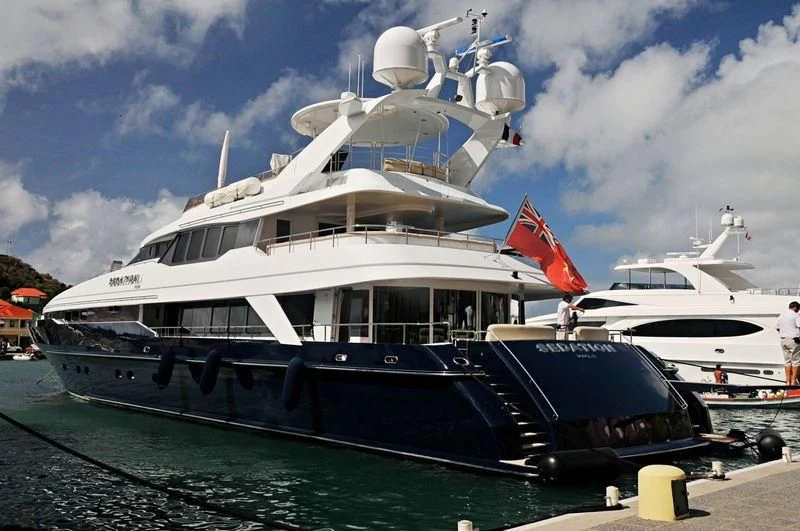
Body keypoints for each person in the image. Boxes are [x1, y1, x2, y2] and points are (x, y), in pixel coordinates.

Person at [776, 301, 800, 386]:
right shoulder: (796, 315)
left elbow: (778, 328)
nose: (798, 310)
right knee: (796, 362)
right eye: (798, 309)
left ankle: (788, 382)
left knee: (787, 361)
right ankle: (793, 382)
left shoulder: (781, 315)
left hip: (783, 340)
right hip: (793, 340)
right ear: (795, 307)